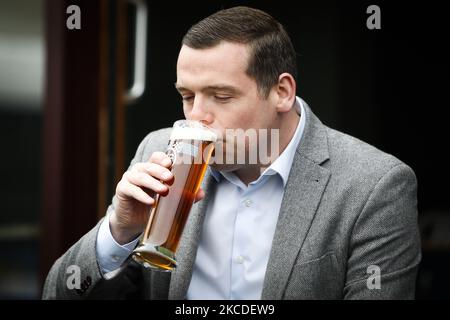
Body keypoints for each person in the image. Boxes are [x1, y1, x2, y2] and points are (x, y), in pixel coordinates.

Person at [43, 6, 421, 300]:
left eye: (221, 96)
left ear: (282, 93)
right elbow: (60, 292)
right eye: (187, 97)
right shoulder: (160, 151)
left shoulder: (374, 185)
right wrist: (119, 231)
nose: (197, 117)